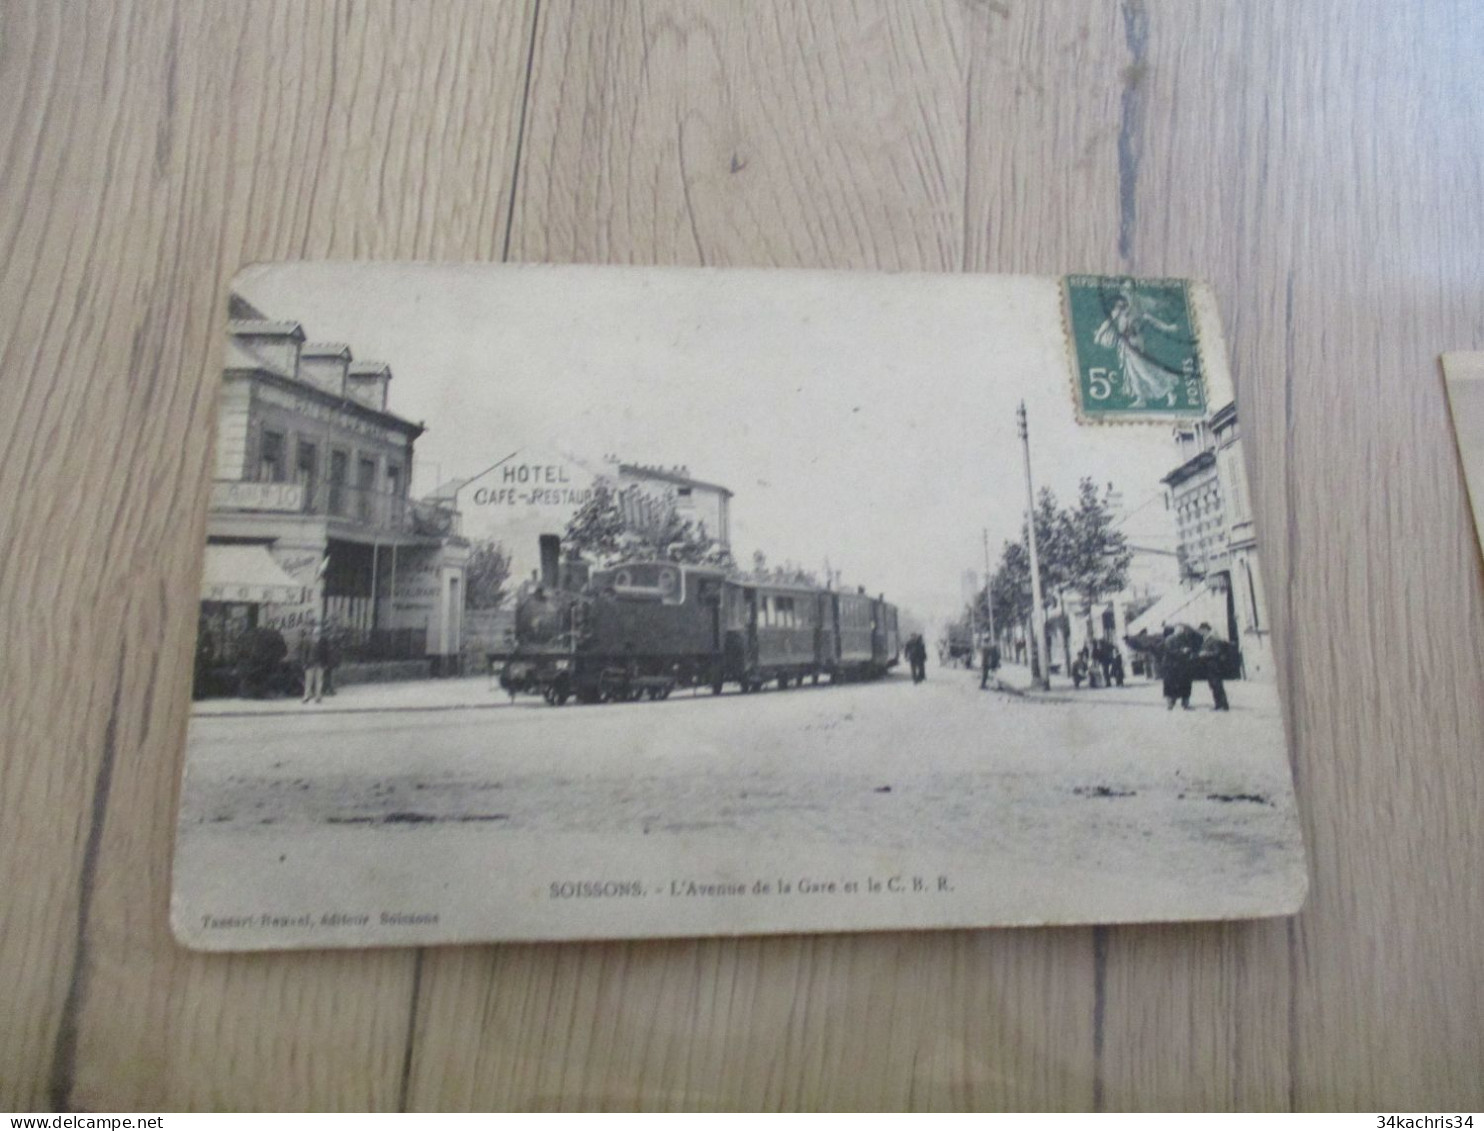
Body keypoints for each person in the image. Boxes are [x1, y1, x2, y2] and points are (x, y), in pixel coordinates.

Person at [1160, 624, 1200, 710]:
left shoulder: (1184, 638)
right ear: (1176, 630)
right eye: (1180, 630)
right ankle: (1170, 704)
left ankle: (1185, 703)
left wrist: (1188, 651)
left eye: (1183, 631)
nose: (1182, 632)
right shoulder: (1169, 639)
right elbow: (1170, 651)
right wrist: (1182, 651)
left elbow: (1189, 648)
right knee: (1170, 686)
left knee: (1185, 684)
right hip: (1171, 666)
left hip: (1182, 666)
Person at [1197, 622, 1231, 711]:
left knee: (1217, 685)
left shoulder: (1214, 640)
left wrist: (1205, 654)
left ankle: (1223, 705)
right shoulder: (1206, 640)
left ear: (1206, 630)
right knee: (1213, 686)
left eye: (1201, 630)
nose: (1200, 632)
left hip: (1214, 666)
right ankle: (1218, 704)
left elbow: (1217, 652)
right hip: (1209, 666)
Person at [301, 626, 331, 704]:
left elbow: (326, 652)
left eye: (318, 632)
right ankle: (306, 696)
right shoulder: (307, 640)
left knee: (319, 681)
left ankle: (318, 696)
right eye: (315, 632)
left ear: (320, 633)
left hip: (320, 664)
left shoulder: (323, 641)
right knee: (308, 681)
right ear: (313, 633)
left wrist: (326, 663)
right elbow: (304, 652)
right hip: (310, 663)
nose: (317, 634)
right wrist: (304, 663)